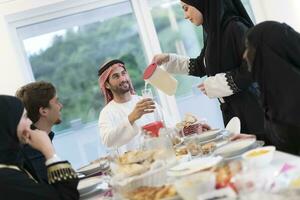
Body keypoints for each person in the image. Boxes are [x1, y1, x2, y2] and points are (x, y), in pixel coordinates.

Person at [152, 0, 266, 140]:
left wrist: (217, 84)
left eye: (186, 8)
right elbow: (203, 65)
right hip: (233, 112)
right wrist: (168, 59)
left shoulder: (235, 27)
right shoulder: (214, 33)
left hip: (253, 112)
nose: (185, 16)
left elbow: (253, 68)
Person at [0, 95, 79, 200]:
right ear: (10, 122)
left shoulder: (12, 162)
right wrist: (49, 152)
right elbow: (67, 197)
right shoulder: (7, 178)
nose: (30, 122)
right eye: (24, 117)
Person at [243, 21, 300, 155]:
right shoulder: (275, 93)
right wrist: (255, 139)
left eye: (249, 47)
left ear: (268, 51)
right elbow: (284, 141)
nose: (244, 55)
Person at [98, 59, 175, 154]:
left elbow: (171, 128)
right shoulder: (107, 113)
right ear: (107, 85)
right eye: (116, 76)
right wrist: (131, 118)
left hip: (162, 158)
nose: (123, 79)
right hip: (134, 166)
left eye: (123, 73)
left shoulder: (145, 102)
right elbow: (107, 141)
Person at [16, 81, 63, 183]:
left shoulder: (39, 139)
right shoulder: (31, 148)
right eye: (57, 102)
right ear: (43, 111)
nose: (61, 106)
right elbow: (54, 188)